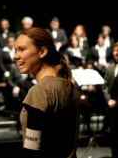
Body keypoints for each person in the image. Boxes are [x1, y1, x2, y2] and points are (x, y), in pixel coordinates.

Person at [14, 27, 80, 157]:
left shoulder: (40, 91)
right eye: (15, 50)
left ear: (42, 51)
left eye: (22, 49)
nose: (15, 56)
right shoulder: (69, 85)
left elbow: (31, 152)